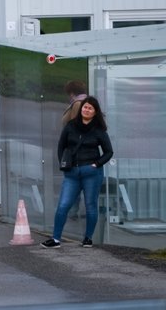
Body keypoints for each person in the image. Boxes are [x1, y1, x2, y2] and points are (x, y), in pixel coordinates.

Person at [41, 96, 114, 249]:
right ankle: (55, 239)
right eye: (85, 107)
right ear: (81, 109)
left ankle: (88, 239)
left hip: (91, 173)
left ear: (95, 112)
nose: (86, 110)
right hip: (72, 173)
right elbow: (61, 147)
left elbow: (108, 152)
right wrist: (64, 164)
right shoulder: (70, 126)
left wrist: (96, 164)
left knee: (90, 205)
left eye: (90, 108)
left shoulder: (99, 130)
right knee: (63, 205)